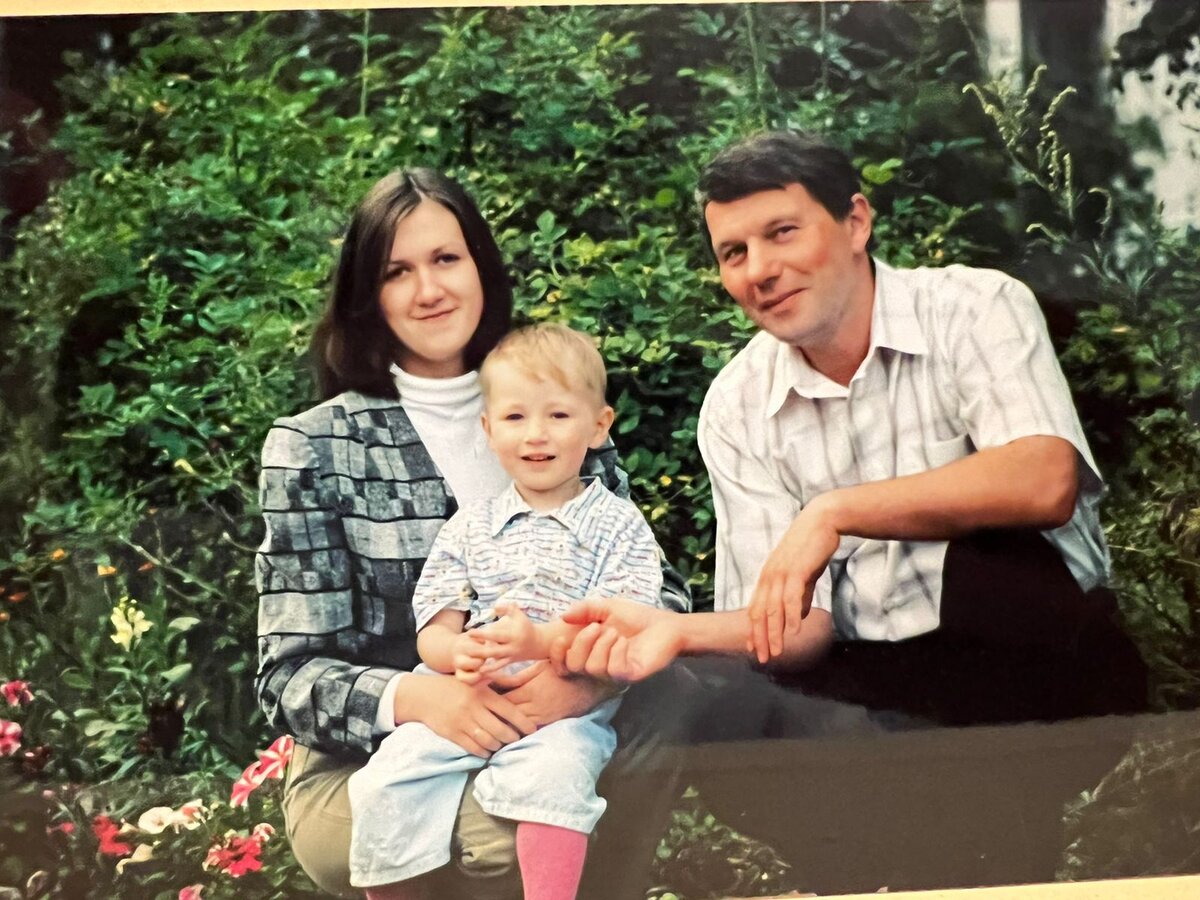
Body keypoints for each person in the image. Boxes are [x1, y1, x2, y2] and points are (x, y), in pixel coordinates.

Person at [553, 131, 1148, 893]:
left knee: (990, 558)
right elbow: (791, 631)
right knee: (723, 708)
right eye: (734, 252)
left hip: (1034, 652)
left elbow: (1044, 479)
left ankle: (957, 839)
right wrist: (674, 632)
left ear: (856, 222)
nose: (759, 270)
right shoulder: (738, 404)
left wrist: (834, 512)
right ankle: (915, 845)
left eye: (782, 232)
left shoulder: (974, 306)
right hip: (871, 689)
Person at [254, 170, 689, 899]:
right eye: (397, 271)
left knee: (670, 699)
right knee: (507, 832)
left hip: (559, 715)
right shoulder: (317, 445)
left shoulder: (552, 399)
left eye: (446, 259)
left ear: (480, 267)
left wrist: (578, 680)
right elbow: (289, 676)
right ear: (368, 293)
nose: (428, 289)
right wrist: (425, 700)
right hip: (385, 748)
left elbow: (658, 592)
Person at [346, 323, 666, 900]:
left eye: (558, 415)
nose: (536, 434)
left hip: (564, 708)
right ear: (489, 429)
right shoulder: (470, 525)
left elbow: (625, 629)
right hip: (468, 698)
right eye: (515, 417)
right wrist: (458, 651)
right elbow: (435, 626)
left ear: (598, 426)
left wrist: (538, 643)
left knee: (556, 778)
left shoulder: (618, 525)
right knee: (388, 778)